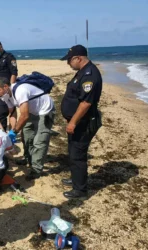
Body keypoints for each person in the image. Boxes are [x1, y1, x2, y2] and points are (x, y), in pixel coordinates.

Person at [60, 45, 102, 199]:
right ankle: (76, 179)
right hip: (76, 122)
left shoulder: (90, 75)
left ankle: (80, 190)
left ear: (78, 58)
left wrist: (73, 122)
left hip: (83, 123)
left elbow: (86, 103)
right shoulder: (82, 72)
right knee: (73, 152)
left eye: (69, 60)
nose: (68, 63)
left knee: (78, 154)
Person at [0, 76, 55, 180]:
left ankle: (36, 169)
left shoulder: (20, 91)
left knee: (39, 142)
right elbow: (12, 113)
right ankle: (28, 158)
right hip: (31, 111)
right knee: (26, 137)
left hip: (45, 110)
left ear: (5, 86)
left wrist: (15, 132)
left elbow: (24, 115)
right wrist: (12, 130)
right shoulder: (6, 95)